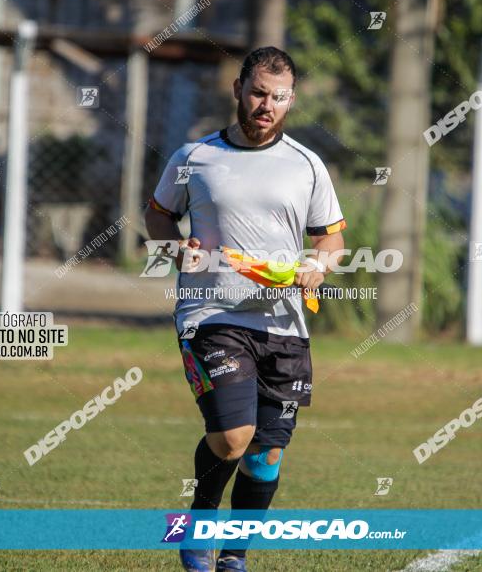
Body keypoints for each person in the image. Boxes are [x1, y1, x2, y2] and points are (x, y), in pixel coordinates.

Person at [144, 46, 346, 572]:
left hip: (283, 324)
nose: (266, 106)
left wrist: (318, 267)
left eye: (278, 98)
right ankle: (197, 526)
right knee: (233, 438)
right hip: (212, 316)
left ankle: (234, 555)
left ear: (291, 100)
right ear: (237, 89)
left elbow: (332, 240)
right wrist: (173, 250)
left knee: (265, 456)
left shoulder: (307, 164)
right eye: (258, 92)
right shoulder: (194, 157)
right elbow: (159, 216)